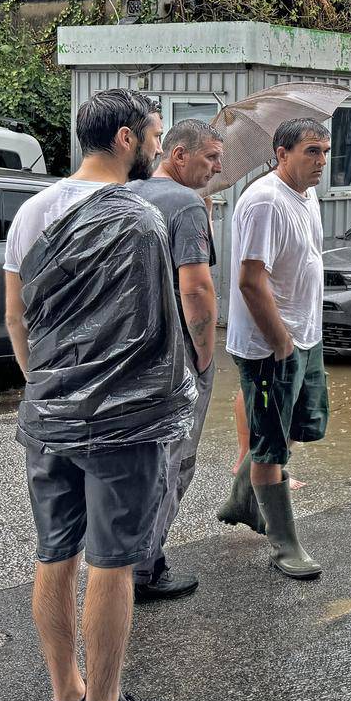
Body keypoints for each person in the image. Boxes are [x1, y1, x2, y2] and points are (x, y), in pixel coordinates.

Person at [4, 88, 192, 701]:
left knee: (55, 554)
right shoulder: (140, 220)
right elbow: (152, 331)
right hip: (121, 425)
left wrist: (48, 393)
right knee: (111, 562)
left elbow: (17, 320)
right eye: (154, 136)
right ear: (124, 139)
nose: (159, 148)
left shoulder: (29, 212)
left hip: (47, 412)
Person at [218, 118, 331, 579]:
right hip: (271, 345)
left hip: (306, 335)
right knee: (270, 448)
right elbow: (249, 281)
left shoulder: (307, 195)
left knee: (292, 429)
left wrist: (302, 336)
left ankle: (243, 499)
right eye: (311, 151)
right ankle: (284, 544)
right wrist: (281, 341)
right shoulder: (265, 202)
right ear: (281, 153)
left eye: (325, 150)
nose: (321, 160)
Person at [129, 118, 225, 601]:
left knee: (140, 458)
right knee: (175, 460)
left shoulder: (131, 192)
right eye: (209, 158)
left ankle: (119, 557)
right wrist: (205, 357)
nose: (216, 167)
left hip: (130, 350)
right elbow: (196, 287)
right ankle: (146, 568)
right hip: (175, 354)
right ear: (178, 154)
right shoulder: (185, 204)